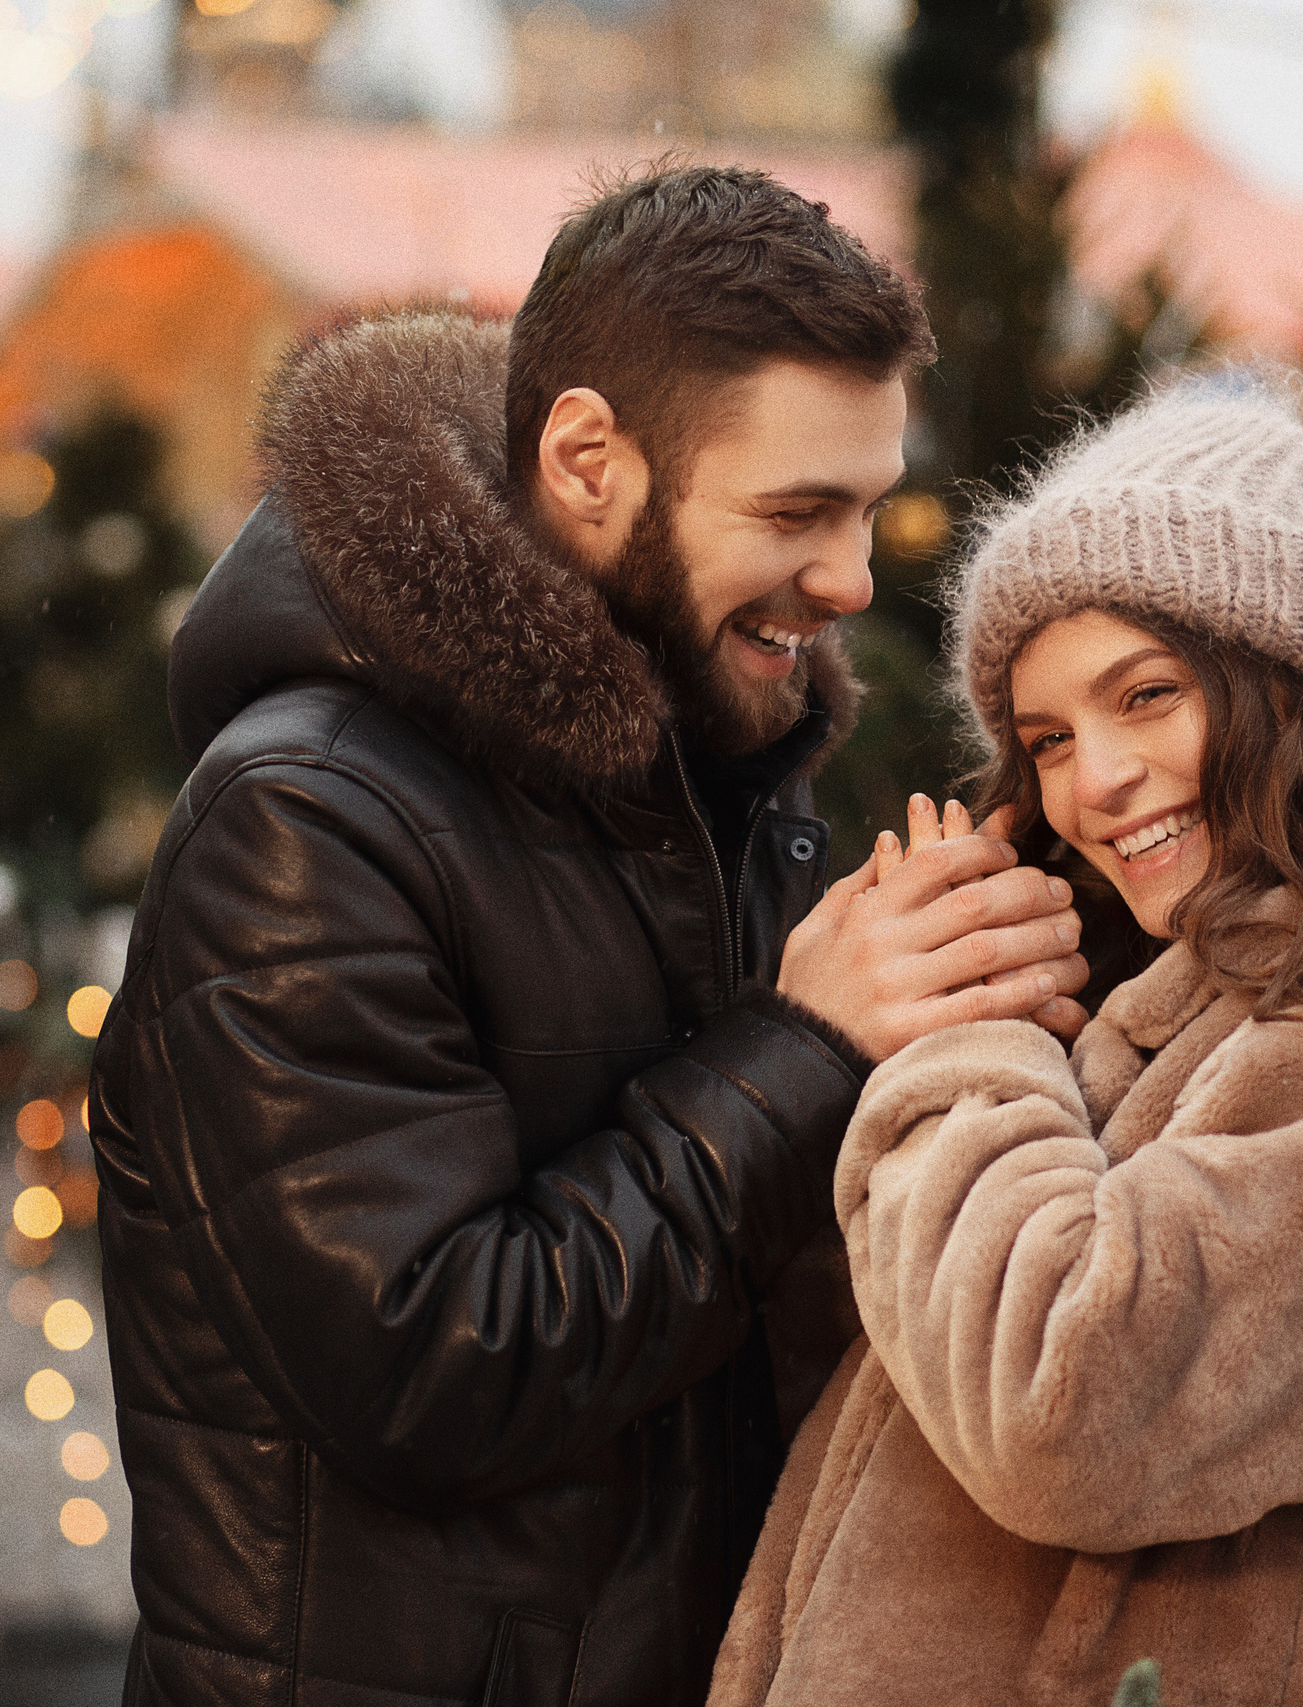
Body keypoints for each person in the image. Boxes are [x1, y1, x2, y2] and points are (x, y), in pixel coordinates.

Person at [87, 164, 1088, 1707]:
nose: (851, 576)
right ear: (586, 460)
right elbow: (430, 1370)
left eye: (870, 506)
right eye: (797, 511)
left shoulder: (713, 775)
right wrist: (806, 1047)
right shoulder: (303, 825)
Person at [710, 383, 1303, 1705]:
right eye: (1048, 738)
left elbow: (1065, 1413)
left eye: (1148, 696)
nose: (1091, 782)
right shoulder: (1194, 999)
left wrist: (969, 1035)